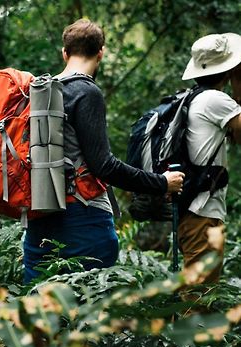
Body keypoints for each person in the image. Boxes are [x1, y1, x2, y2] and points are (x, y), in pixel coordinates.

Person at [23, 18, 184, 284]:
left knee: (42, 311)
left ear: (64, 53)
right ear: (101, 53)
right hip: (83, 218)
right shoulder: (87, 92)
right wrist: (161, 183)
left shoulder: (41, 91)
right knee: (89, 311)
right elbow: (104, 166)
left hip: (38, 217)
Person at [178, 33, 241, 283]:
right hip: (202, 213)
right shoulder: (216, 100)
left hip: (196, 211)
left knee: (196, 295)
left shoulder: (195, 98)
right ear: (227, 71)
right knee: (197, 300)